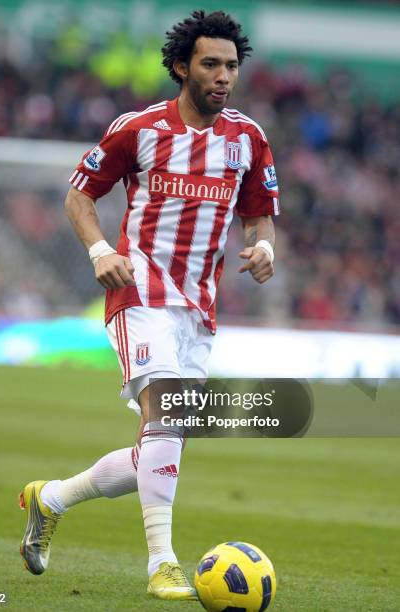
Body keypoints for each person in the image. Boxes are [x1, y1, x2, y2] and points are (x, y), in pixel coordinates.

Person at [19, 10, 279, 601]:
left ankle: (50, 498)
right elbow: (79, 194)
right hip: (139, 291)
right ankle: (163, 562)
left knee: (159, 448)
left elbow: (258, 216)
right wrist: (100, 251)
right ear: (181, 67)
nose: (222, 77)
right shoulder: (138, 129)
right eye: (210, 64)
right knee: (164, 417)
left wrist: (263, 248)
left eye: (231, 67)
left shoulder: (249, 139)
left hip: (198, 307)